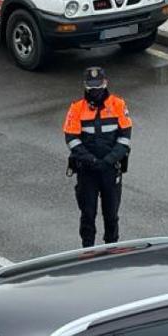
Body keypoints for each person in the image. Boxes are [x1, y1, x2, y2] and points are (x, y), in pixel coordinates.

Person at [64, 67, 132, 248]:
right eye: (91, 87)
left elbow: (125, 138)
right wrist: (91, 160)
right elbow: (71, 138)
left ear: (105, 83)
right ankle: (88, 250)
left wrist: (109, 160)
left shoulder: (118, 104)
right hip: (87, 171)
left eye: (98, 86)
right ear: (85, 86)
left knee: (111, 215)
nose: (95, 91)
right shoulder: (76, 108)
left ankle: (111, 248)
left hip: (110, 170)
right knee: (87, 214)